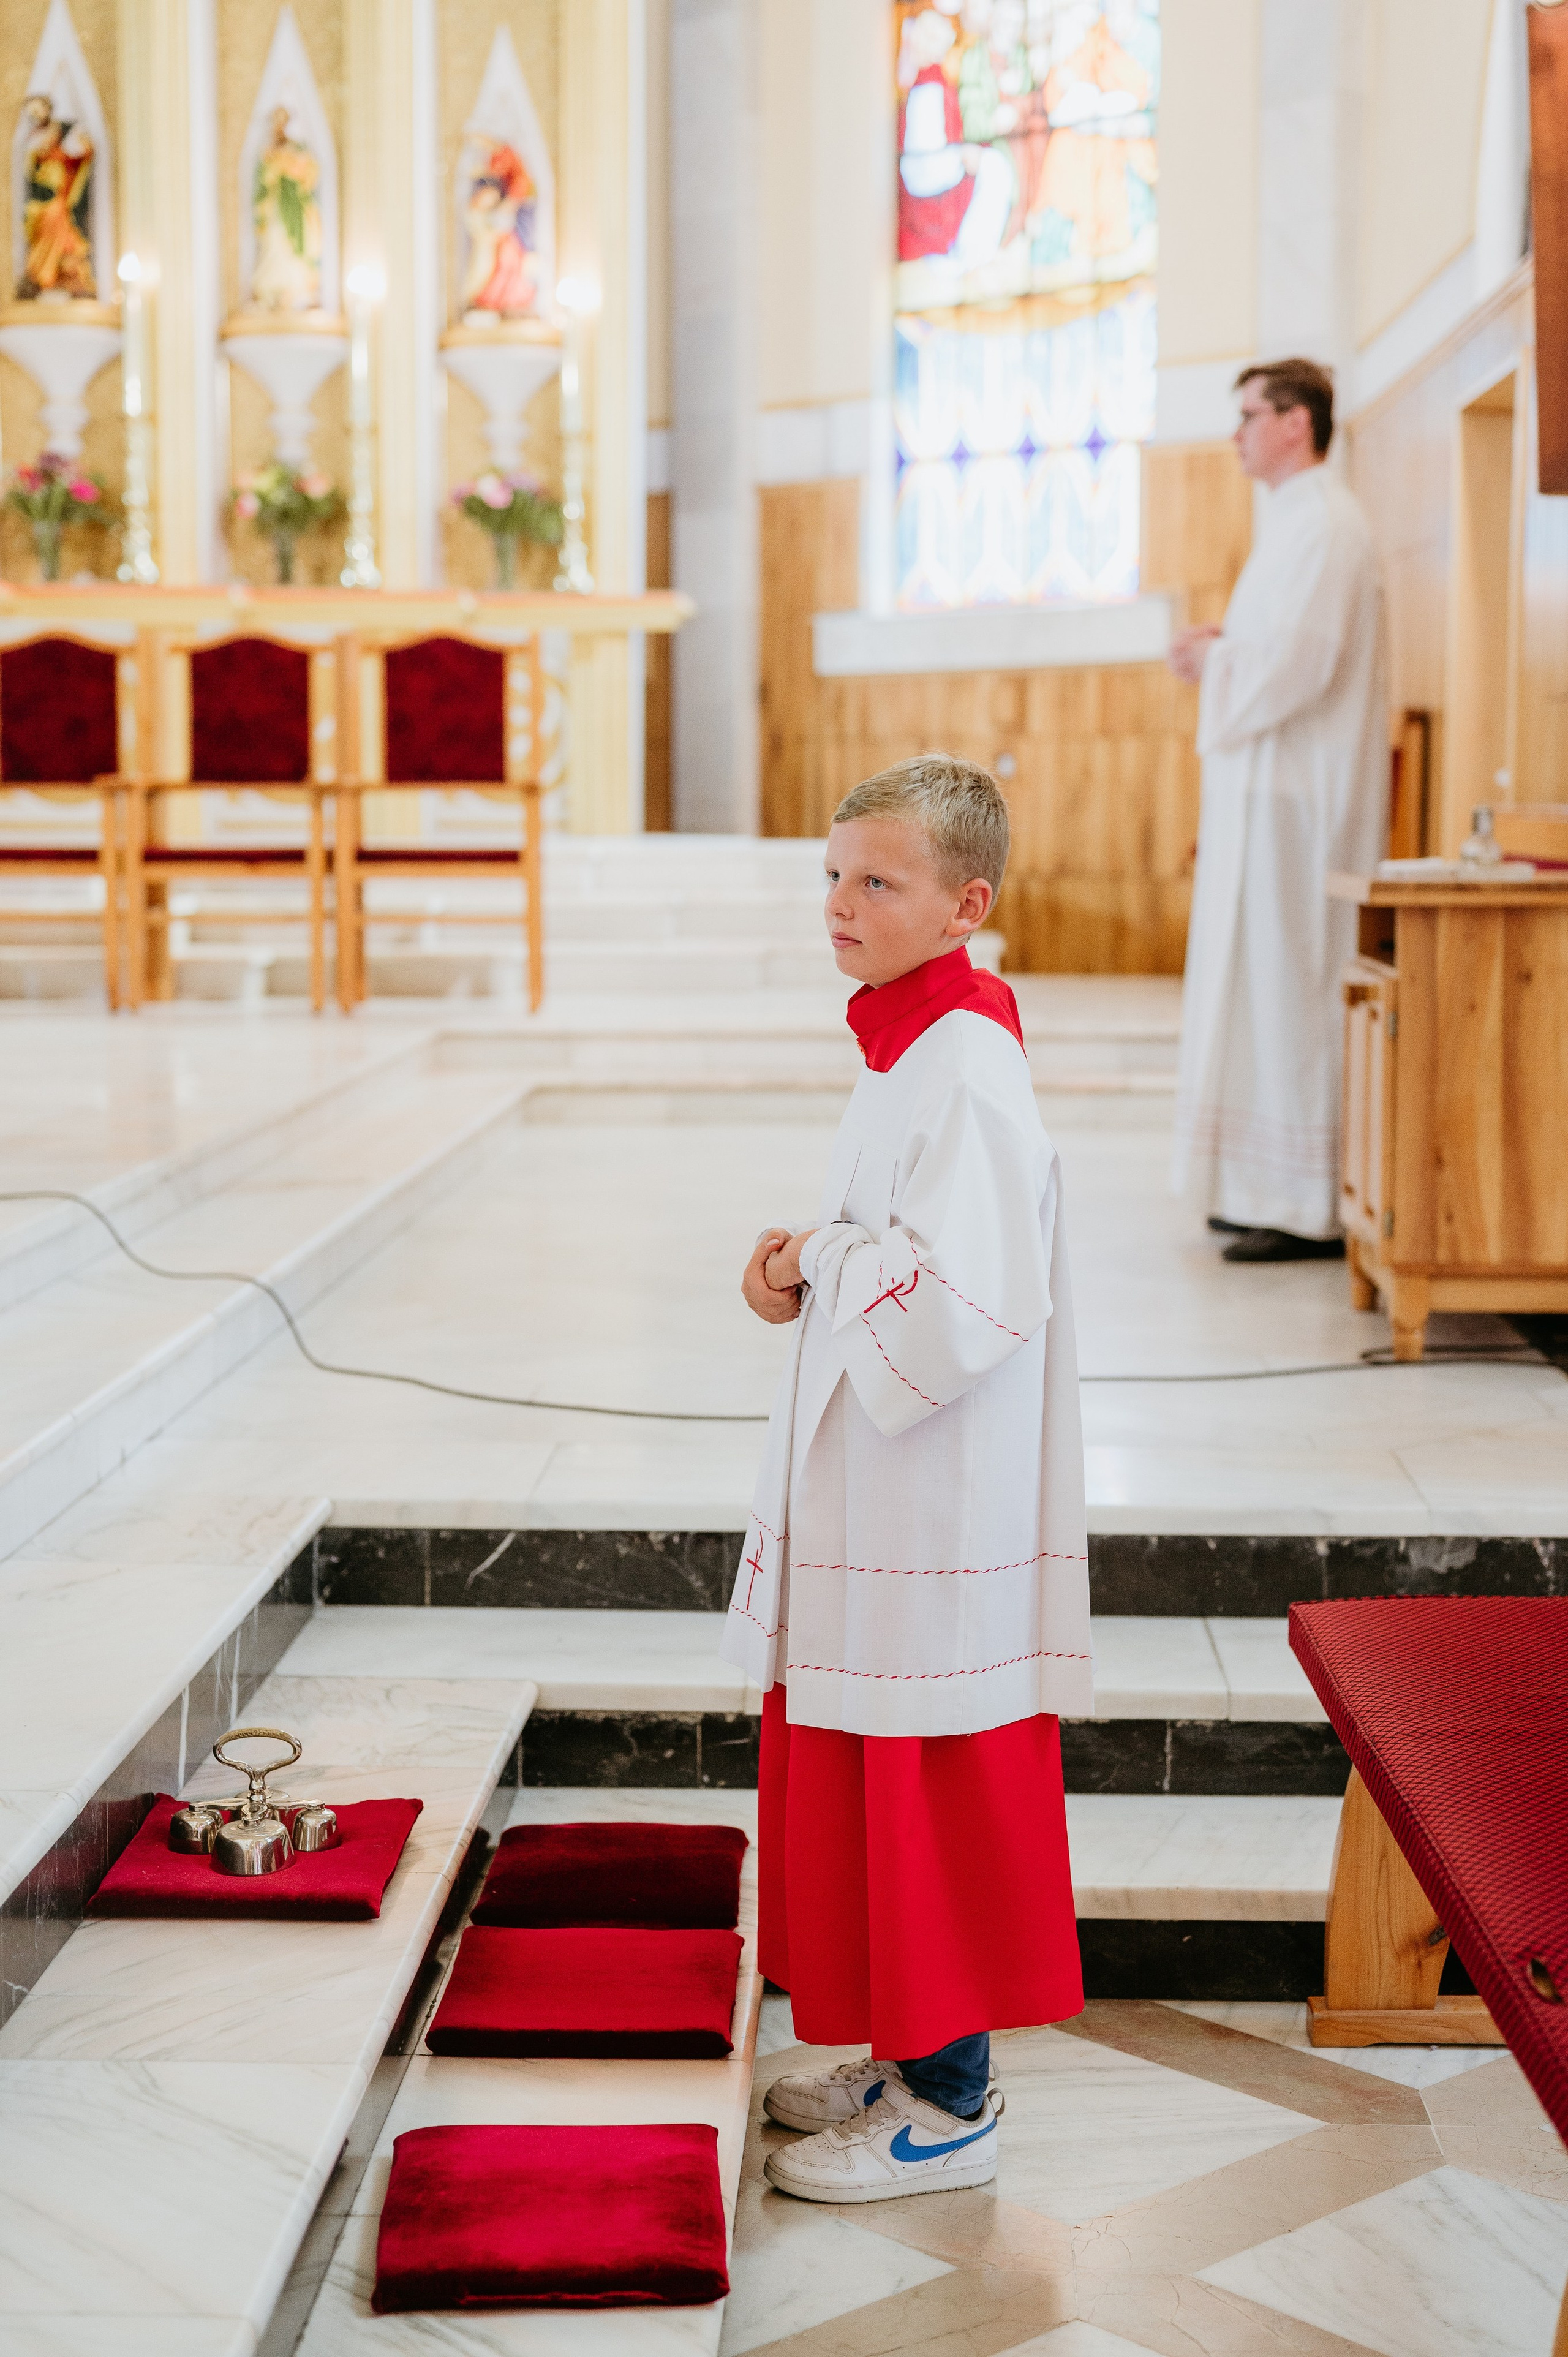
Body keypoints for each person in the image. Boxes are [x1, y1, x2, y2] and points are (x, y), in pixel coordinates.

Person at [723, 755, 1090, 2203]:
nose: (839, 904)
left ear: (965, 903)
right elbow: (887, 1247)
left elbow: (964, 1307)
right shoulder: (904, 1043)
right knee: (873, 1772)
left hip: (934, 1502)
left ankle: (955, 2101)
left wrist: (820, 1258)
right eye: (830, 875)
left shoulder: (967, 1066)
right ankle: (906, 2059)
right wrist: (799, 1265)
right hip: (886, 1484)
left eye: (875, 881)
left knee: (926, 1779)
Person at [1168, 358, 1387, 1262]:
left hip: (1304, 809)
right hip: (1269, 796)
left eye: (1250, 415)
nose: (1236, 434)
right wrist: (1226, 646)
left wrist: (1215, 664)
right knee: (1253, 982)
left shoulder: (1329, 523)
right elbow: (1277, 645)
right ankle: (1254, 1186)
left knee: (1289, 981)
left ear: (1297, 423)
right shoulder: (1294, 523)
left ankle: (1302, 1203)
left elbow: (1304, 659)